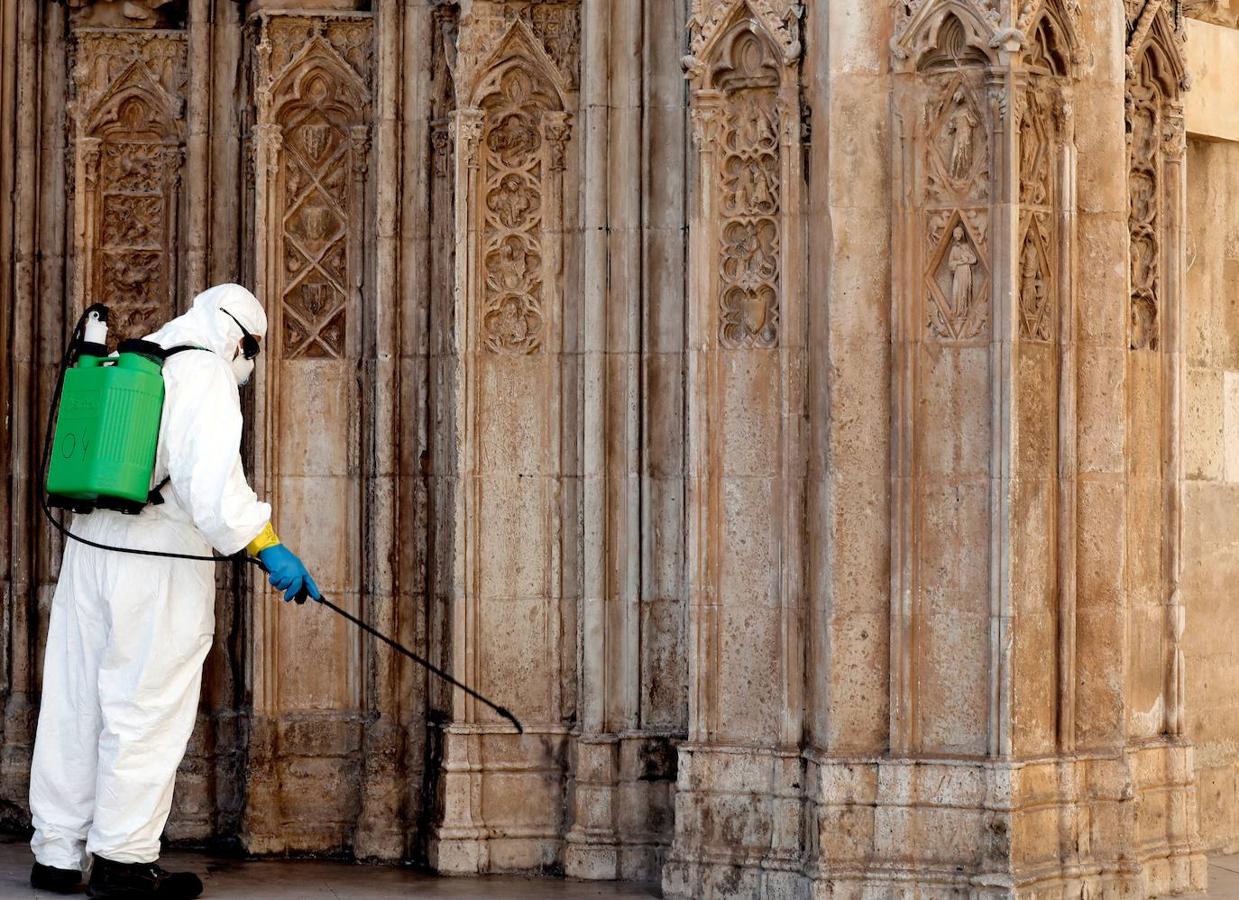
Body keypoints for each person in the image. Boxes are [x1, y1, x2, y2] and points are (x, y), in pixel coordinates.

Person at [28, 284, 320, 899]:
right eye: (253, 352)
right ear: (241, 338)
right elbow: (211, 485)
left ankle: (56, 852)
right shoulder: (205, 371)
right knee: (144, 705)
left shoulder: (133, 357)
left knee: (76, 701)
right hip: (155, 557)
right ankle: (123, 861)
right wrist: (268, 545)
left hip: (90, 546)